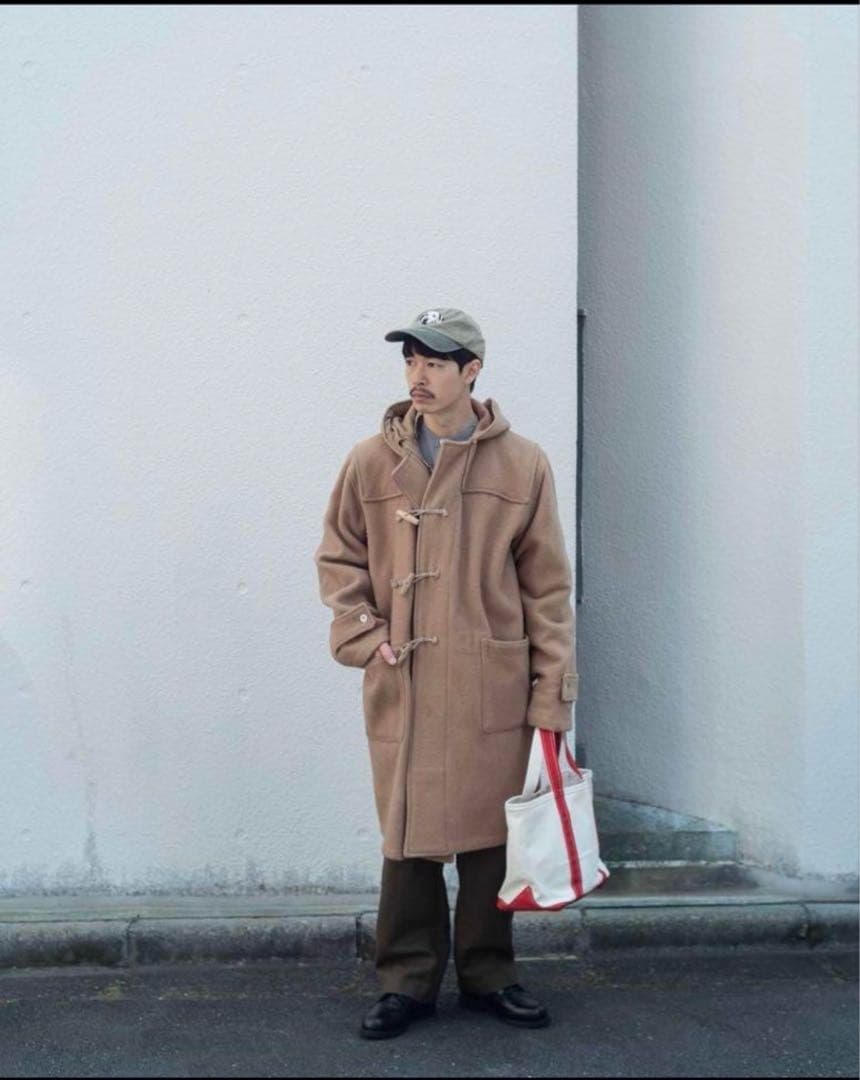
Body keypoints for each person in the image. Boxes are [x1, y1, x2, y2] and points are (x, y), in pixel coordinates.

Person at [313, 307, 579, 1040]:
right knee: (408, 838)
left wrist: (551, 693)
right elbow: (338, 557)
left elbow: (547, 589)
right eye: (411, 361)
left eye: (435, 362)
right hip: (403, 677)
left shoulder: (522, 464)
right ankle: (405, 983)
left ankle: (490, 974)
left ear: (472, 371)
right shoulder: (371, 460)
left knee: (491, 837)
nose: (418, 376)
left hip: (491, 679)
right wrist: (366, 634)